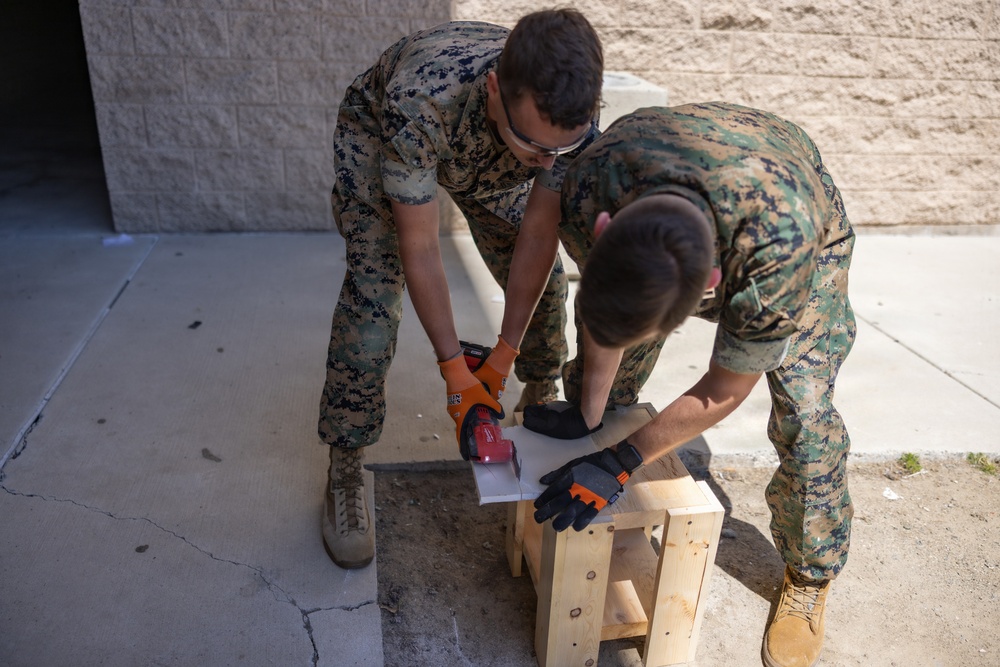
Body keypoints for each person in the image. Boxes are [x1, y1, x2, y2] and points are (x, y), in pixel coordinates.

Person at [524, 103, 856, 667]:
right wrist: (589, 414)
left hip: (791, 206)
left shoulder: (780, 254)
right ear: (603, 230)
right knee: (617, 346)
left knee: (805, 412)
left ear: (711, 288)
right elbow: (608, 306)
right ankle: (597, 410)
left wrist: (621, 460)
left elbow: (726, 387)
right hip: (692, 172)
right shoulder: (592, 183)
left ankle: (810, 571)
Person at [318, 10, 604, 571]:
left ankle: (537, 394)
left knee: (546, 285)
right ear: (496, 90)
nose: (548, 163)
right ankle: (345, 462)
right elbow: (421, 247)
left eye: (561, 152)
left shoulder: (564, 120)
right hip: (384, 134)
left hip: (493, 148)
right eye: (536, 147)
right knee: (373, 301)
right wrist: (456, 374)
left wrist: (502, 357)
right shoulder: (418, 104)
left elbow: (537, 235)